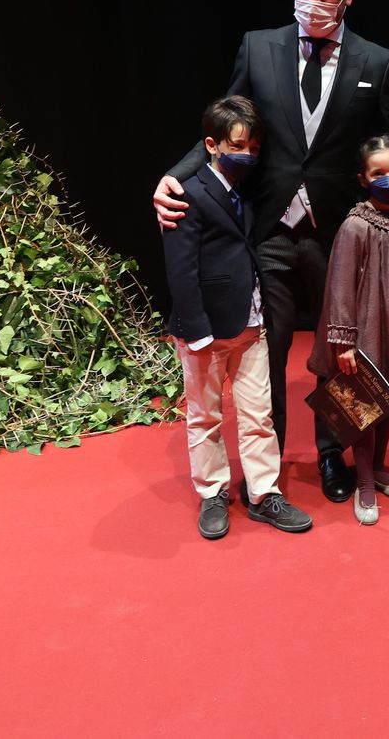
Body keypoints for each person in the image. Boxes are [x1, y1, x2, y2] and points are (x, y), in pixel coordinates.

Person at [153, 0, 389, 505]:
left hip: (340, 237)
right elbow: (225, 123)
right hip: (268, 233)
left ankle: (330, 454)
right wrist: (174, 175)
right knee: (266, 355)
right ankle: (265, 477)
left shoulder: (376, 61)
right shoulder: (259, 47)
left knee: (338, 352)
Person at [161, 96, 313, 540]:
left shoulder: (248, 187)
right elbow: (181, 271)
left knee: (258, 416)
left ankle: (264, 495)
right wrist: (197, 332)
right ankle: (212, 493)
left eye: (253, 148)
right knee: (205, 417)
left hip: (253, 325)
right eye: (237, 146)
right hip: (205, 331)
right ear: (211, 144)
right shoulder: (185, 194)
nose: (246, 155)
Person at [307, 136, 389, 525]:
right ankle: (364, 484)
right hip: (362, 330)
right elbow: (339, 287)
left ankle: (376, 467)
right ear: (363, 178)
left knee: (387, 399)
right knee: (362, 408)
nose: (388, 179)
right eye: (379, 173)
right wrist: (343, 341)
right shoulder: (355, 226)